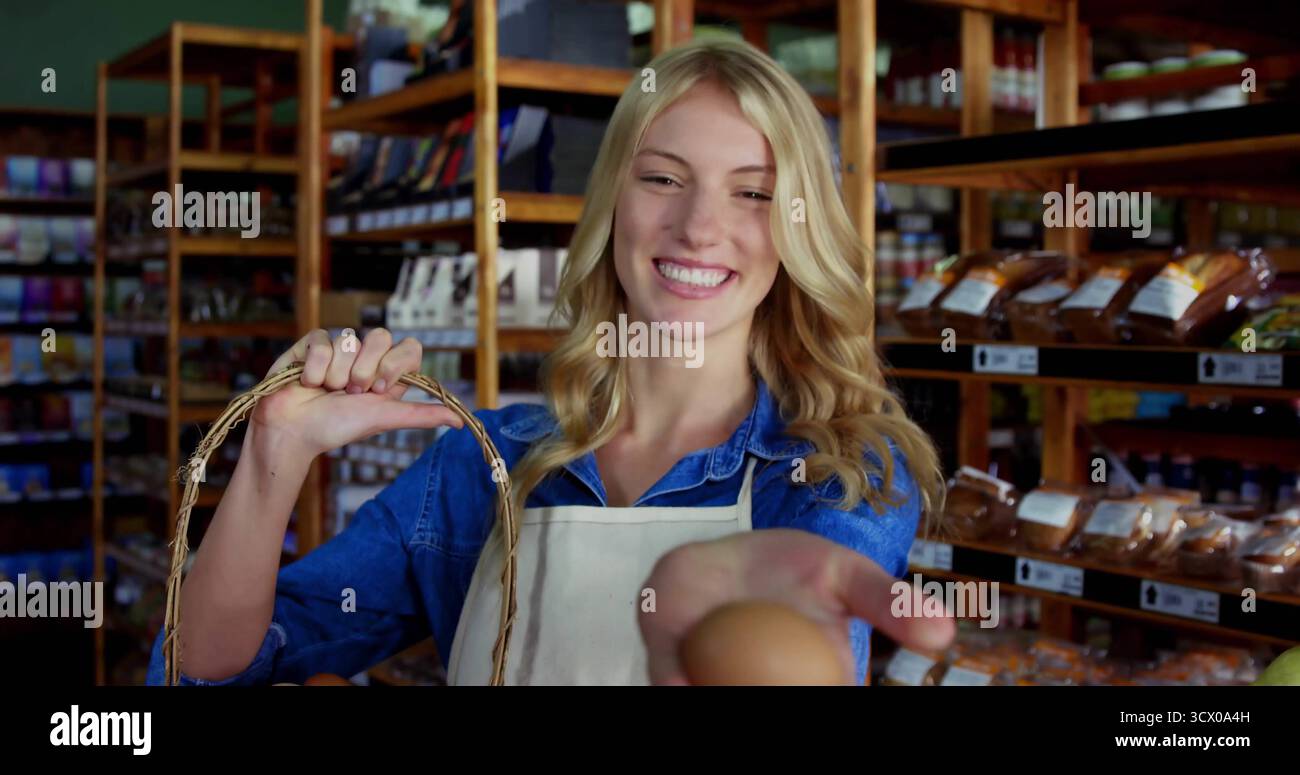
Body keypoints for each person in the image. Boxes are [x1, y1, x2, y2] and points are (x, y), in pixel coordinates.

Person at [145, 38, 954, 686]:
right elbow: (212, 667)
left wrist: (752, 641)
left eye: (753, 192)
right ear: (611, 205)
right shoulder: (484, 463)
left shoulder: (839, 476)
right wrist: (272, 456)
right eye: (664, 178)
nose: (700, 226)